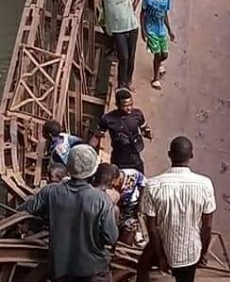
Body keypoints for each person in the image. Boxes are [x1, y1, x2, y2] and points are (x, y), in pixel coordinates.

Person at [18, 145, 118, 282]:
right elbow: (111, 237)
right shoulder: (102, 200)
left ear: (69, 168)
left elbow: (23, 210)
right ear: (93, 170)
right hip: (93, 270)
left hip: (60, 270)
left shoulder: (50, 191)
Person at [136, 136, 216, 282]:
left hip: (162, 247)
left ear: (169, 155)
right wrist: (203, 254)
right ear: (191, 156)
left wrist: (161, 257)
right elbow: (207, 227)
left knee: (142, 267)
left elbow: (152, 228)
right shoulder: (205, 184)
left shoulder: (152, 185)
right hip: (190, 253)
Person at [88, 0, 142, 90]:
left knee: (131, 56)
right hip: (117, 29)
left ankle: (128, 81)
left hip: (132, 26)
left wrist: (134, 4)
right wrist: (93, 8)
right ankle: (121, 83)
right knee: (123, 56)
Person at [89, 89, 153, 173]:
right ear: (117, 105)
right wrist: (88, 150)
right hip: (118, 158)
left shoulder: (138, 114)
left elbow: (144, 129)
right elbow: (97, 136)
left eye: (131, 104)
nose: (129, 108)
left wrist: (148, 133)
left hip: (134, 156)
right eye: (125, 106)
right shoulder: (107, 119)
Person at [141, 0, 175, 89]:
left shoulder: (166, 0)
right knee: (158, 54)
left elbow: (165, 15)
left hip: (161, 30)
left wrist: (169, 30)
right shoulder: (147, 0)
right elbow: (143, 14)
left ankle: (159, 64)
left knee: (164, 54)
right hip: (151, 30)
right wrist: (143, 30)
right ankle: (155, 79)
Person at [111, 166, 147, 245]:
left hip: (132, 204)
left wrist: (141, 205)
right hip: (123, 203)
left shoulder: (131, 178)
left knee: (129, 225)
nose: (113, 186)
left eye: (114, 183)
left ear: (118, 179)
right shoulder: (115, 178)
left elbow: (144, 185)